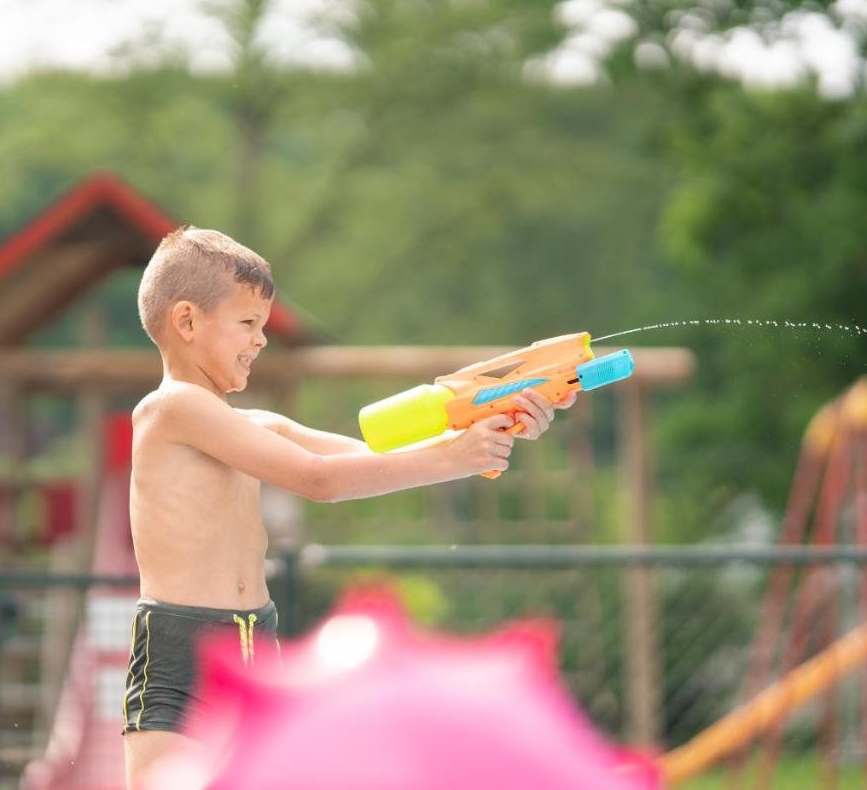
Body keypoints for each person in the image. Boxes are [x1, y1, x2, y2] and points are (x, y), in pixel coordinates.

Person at [122, 226, 575, 789]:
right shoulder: (171, 409)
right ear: (187, 322)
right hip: (180, 648)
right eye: (248, 324)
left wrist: (487, 429)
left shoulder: (250, 426)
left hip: (255, 641)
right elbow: (318, 479)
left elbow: (368, 458)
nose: (261, 340)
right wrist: (456, 457)